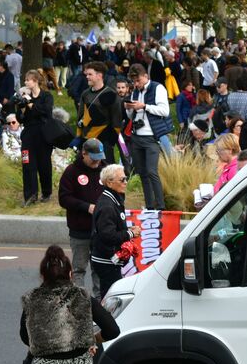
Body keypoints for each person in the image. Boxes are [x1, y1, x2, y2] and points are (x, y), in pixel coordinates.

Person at [58, 139, 106, 289]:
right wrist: (86, 207)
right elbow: (64, 199)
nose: (97, 162)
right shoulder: (71, 171)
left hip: (101, 230)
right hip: (80, 230)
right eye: (93, 158)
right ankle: (79, 302)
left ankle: (100, 303)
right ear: (84, 153)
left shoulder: (105, 170)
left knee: (99, 269)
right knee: (79, 269)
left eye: (100, 158)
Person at [124, 64, 170, 211]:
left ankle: (161, 206)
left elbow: (165, 111)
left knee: (152, 171)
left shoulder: (158, 88)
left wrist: (145, 106)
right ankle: (150, 206)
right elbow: (132, 116)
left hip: (152, 137)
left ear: (145, 76)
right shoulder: (135, 91)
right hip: (137, 136)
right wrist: (129, 109)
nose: (136, 84)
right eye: (133, 82)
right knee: (142, 173)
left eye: (138, 81)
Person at [90, 164, 138, 301]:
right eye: (122, 180)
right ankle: (106, 321)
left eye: (126, 178)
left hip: (109, 258)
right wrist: (130, 234)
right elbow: (108, 235)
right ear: (109, 182)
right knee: (111, 298)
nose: (126, 182)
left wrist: (128, 232)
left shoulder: (113, 199)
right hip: (106, 260)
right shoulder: (107, 205)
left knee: (111, 295)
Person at [13, 69, 55, 205]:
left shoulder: (46, 96)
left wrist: (30, 103)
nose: (25, 82)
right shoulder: (24, 97)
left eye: (28, 80)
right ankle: (30, 196)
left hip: (43, 135)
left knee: (44, 165)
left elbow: (46, 112)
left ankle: (46, 192)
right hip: (28, 135)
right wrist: (23, 108)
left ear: (35, 81)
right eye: (25, 80)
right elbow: (20, 118)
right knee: (28, 165)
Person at [76, 61, 119, 162]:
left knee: (106, 169)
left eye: (90, 74)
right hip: (87, 139)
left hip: (104, 140)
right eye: (86, 74)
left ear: (99, 75)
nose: (87, 77)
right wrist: (79, 136)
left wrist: (110, 140)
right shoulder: (85, 94)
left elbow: (117, 119)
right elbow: (81, 116)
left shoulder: (110, 94)